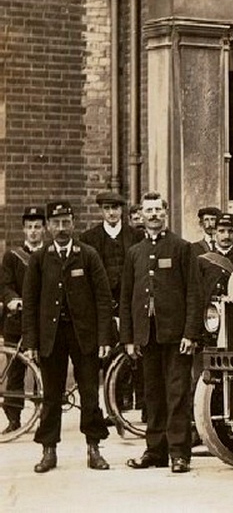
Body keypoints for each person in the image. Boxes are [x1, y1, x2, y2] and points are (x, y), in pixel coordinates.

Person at [21, 201, 114, 472]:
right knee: (51, 395)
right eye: (56, 223)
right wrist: (31, 342)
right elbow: (30, 303)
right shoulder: (40, 259)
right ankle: (48, 451)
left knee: (89, 394)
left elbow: (103, 299)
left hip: (84, 335)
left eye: (65, 223)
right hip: (51, 337)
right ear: (49, 226)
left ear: (73, 223)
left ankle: (94, 449)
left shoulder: (88, 255)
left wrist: (104, 338)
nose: (61, 228)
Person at [120, 192, 202, 473]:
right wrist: (129, 338)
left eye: (158, 209)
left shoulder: (182, 248)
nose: (153, 214)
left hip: (177, 336)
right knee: (152, 394)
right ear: (141, 215)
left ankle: (179, 454)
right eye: (148, 210)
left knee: (177, 394)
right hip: (147, 335)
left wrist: (190, 333)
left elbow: (194, 293)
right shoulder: (135, 252)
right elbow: (127, 297)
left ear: (166, 213)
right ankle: (155, 451)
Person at [79, 191, 144, 424]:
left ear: (121, 210)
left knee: (137, 353)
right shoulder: (89, 238)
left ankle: (143, 406)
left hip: (130, 305)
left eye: (115, 208)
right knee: (106, 355)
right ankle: (111, 410)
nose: (111, 213)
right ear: (101, 211)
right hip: (101, 308)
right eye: (107, 209)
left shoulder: (136, 236)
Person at [0, 206, 46, 434]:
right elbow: (5, 284)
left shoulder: (49, 254)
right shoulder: (12, 256)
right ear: (24, 230)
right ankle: (13, 418)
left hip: (42, 322)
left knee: (44, 369)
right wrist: (12, 299)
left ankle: (44, 418)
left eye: (37, 227)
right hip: (17, 321)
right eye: (29, 227)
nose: (33, 231)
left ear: (44, 229)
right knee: (15, 370)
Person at [195, 213, 233, 341]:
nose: (226, 236)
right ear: (215, 233)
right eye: (221, 231)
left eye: (230, 231)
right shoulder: (204, 260)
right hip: (210, 320)